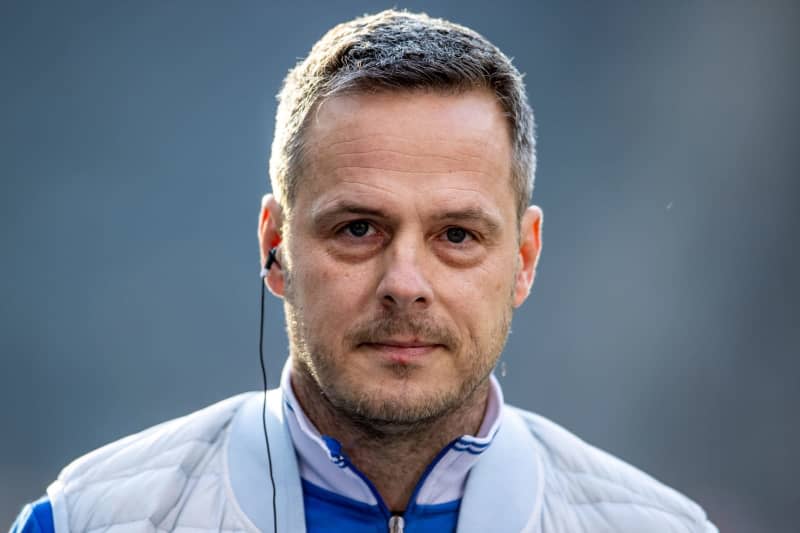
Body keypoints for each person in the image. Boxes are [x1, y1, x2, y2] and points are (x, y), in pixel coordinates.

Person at [10, 9, 717, 533]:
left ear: (524, 259)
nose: (404, 280)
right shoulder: (92, 518)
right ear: (276, 245)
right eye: (358, 228)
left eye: (457, 234)